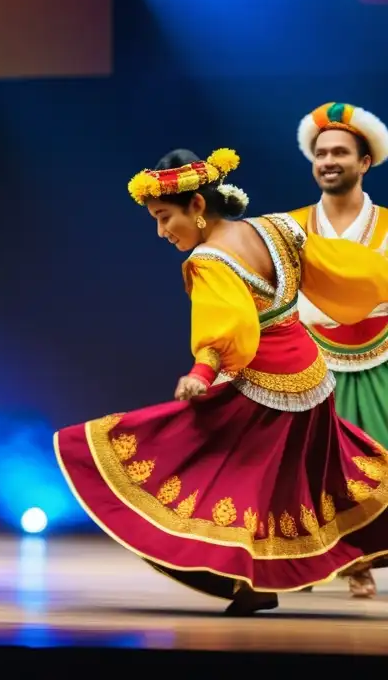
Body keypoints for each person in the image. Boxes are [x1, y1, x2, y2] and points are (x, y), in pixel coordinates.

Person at [55, 146, 388, 616]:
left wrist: (201, 372)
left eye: (164, 217)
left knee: (212, 466)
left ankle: (252, 582)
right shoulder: (278, 227)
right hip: (312, 379)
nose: (162, 231)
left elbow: (225, 325)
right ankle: (255, 585)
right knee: (282, 484)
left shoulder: (210, 259)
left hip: (265, 384)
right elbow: (338, 267)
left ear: (197, 206)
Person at [288, 102, 388, 598]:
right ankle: (301, 559)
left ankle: (362, 561)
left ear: (364, 162)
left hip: (380, 362)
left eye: (340, 152)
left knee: (374, 466)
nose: (328, 160)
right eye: (320, 152)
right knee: (303, 469)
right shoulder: (288, 228)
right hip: (307, 364)